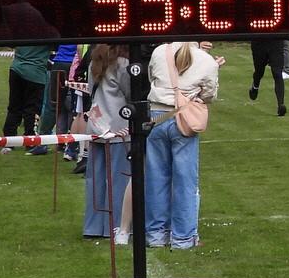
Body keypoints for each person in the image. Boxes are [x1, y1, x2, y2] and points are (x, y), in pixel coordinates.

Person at [145, 40, 220, 250]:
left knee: (156, 177)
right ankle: (183, 237)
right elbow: (209, 95)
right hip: (183, 117)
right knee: (185, 180)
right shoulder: (206, 60)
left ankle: (156, 234)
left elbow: (152, 77)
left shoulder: (160, 50)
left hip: (157, 115)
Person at [79, 43, 133, 243]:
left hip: (96, 125)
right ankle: (116, 225)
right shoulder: (123, 64)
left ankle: (93, 225)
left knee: (95, 179)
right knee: (119, 179)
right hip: (118, 127)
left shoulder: (94, 61)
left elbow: (90, 90)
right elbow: (130, 94)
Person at [3, 43, 49, 145]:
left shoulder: (22, 32)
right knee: (32, 109)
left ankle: (9, 139)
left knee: (14, 107)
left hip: (16, 69)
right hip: (36, 73)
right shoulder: (48, 34)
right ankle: (30, 139)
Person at [248, 36, 288, 115]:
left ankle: (281, 105)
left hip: (276, 42)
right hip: (259, 42)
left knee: (277, 73)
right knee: (259, 71)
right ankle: (255, 86)